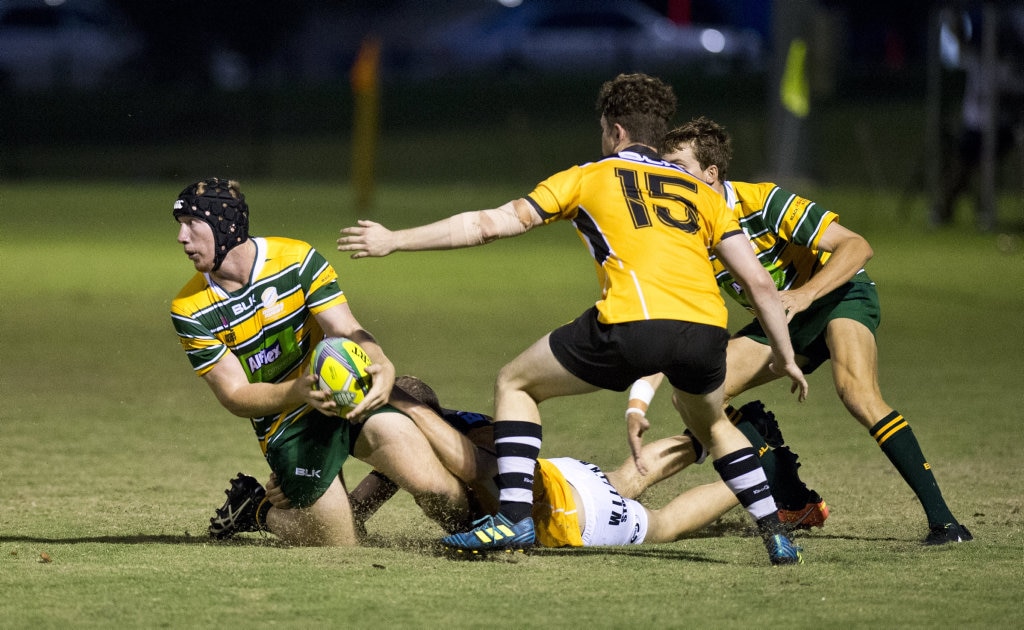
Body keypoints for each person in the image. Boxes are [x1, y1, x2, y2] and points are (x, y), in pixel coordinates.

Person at [337, 73, 809, 565]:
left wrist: (395, 239)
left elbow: (488, 225)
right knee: (713, 425)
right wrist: (785, 354)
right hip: (706, 331)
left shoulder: (589, 176)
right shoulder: (703, 194)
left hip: (632, 322)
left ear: (617, 130)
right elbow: (758, 283)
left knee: (515, 382)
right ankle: (776, 535)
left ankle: (514, 518)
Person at [624, 117, 972, 545]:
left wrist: (806, 295)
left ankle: (946, 524)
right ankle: (791, 495)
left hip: (838, 295)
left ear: (710, 174)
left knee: (857, 393)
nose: (667, 176)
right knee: (694, 394)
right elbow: (674, 315)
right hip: (783, 320)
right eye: (664, 166)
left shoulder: (761, 202)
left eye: (678, 166)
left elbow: (857, 246)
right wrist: (640, 397)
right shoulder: (688, 231)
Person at [170, 178, 469, 546]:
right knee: (341, 543)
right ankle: (258, 510)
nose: (182, 238)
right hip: (287, 426)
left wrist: (381, 362)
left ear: (224, 225)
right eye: (180, 227)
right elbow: (234, 395)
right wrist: (298, 391)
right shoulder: (190, 309)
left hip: (347, 398)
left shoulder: (295, 259)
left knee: (437, 489)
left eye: (191, 225)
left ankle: (480, 537)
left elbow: (347, 328)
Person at [261, 376, 827, 550]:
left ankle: (756, 470)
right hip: (564, 476)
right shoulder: (437, 434)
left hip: (566, 515)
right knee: (627, 478)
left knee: (663, 525)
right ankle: (730, 440)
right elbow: (378, 488)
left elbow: (472, 467)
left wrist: (398, 402)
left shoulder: (452, 441)